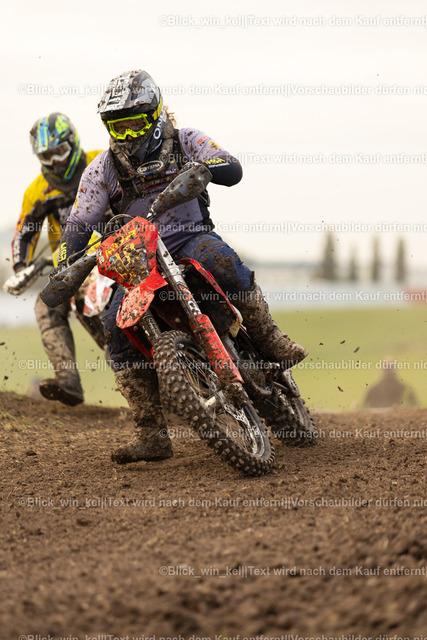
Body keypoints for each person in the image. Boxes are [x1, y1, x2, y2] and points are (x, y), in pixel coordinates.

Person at [57, 69, 308, 462]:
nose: (128, 135)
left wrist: (206, 167)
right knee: (114, 325)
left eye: (135, 124)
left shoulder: (187, 139)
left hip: (190, 239)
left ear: (155, 115)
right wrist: (65, 257)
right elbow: (79, 220)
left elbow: (231, 167)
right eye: (118, 127)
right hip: (139, 263)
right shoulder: (101, 169)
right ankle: (151, 432)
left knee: (223, 262)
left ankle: (270, 339)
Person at [12, 113, 103, 406]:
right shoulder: (37, 190)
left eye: (60, 152)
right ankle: (68, 383)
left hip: (116, 249)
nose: (55, 162)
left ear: (72, 143)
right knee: (45, 305)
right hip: (71, 265)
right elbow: (24, 234)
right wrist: (20, 267)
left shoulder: (100, 161)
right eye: (46, 156)